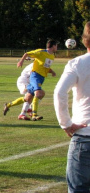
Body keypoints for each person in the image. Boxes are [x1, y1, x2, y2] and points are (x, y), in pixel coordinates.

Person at [54, 22, 90, 193]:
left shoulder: (77, 63)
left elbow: (60, 92)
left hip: (85, 137)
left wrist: (66, 123)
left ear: (84, 40)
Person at [3, 39, 58, 121]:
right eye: (56, 45)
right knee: (38, 93)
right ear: (53, 46)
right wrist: (21, 61)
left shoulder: (52, 56)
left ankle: (8, 105)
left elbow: (46, 66)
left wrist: (52, 71)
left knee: (28, 98)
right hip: (35, 76)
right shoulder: (41, 52)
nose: (57, 47)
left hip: (41, 78)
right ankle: (34, 114)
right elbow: (27, 53)